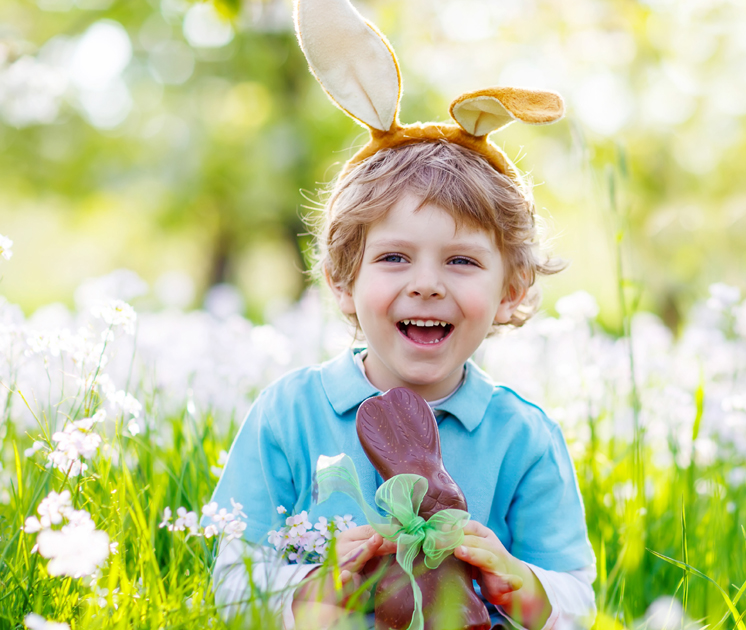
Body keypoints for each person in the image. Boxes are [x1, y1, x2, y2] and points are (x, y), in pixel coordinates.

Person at [202, 1, 595, 627]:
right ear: (340, 280)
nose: (427, 286)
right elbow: (228, 577)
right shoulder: (290, 415)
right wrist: (306, 593)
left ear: (512, 288)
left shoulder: (523, 436)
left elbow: (576, 594)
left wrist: (522, 585)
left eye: (463, 262)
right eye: (393, 258)